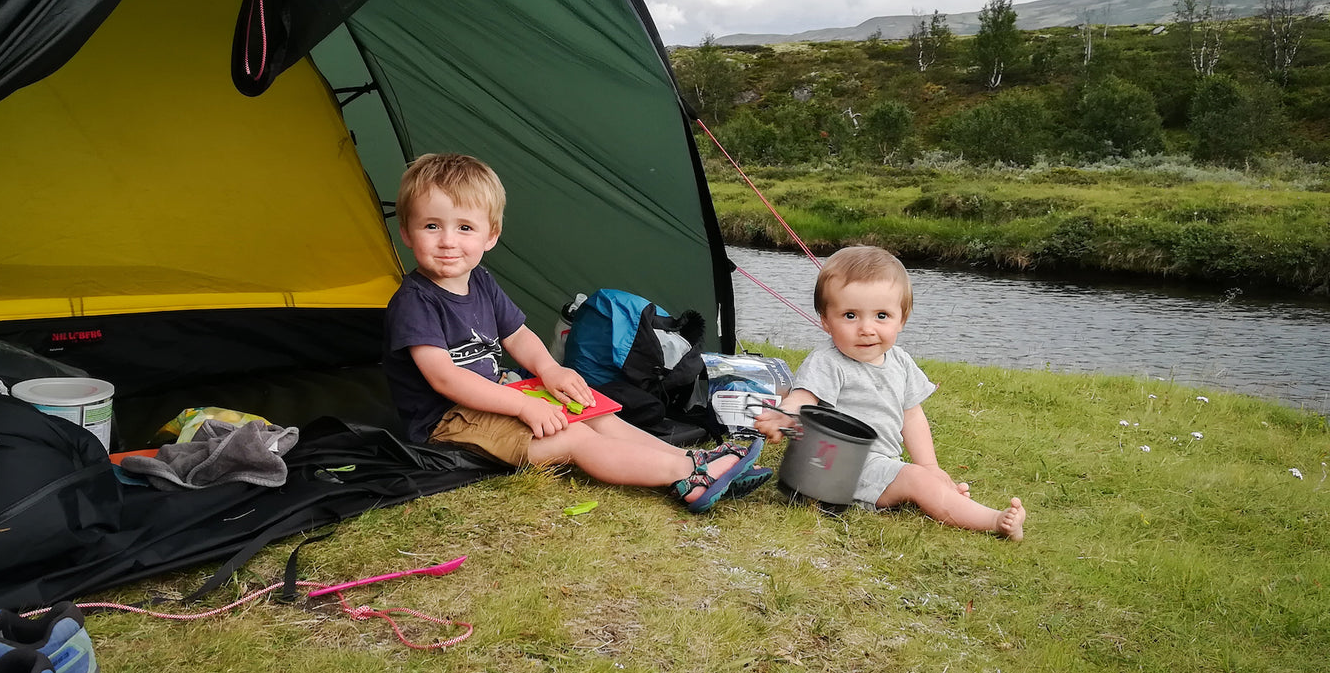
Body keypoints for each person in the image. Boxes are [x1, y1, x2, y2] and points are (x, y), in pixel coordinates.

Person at [383, 153, 766, 512]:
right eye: (432, 226)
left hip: (496, 395)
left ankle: (693, 461)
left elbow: (517, 335)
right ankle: (687, 478)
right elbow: (444, 378)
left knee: (594, 412)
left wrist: (550, 371)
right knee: (573, 438)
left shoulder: (480, 281)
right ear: (406, 232)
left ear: (490, 235)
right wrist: (522, 405)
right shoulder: (415, 301)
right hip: (448, 422)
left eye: (464, 227)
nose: (448, 241)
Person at [753, 245, 1026, 540]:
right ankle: (995, 520)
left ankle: (945, 497)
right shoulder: (827, 362)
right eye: (850, 315)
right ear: (825, 320)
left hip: (881, 463)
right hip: (836, 470)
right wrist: (784, 414)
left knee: (925, 479)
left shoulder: (901, 362)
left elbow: (912, 415)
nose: (867, 328)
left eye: (881, 315)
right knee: (918, 481)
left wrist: (929, 466)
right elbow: (803, 397)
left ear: (902, 319)